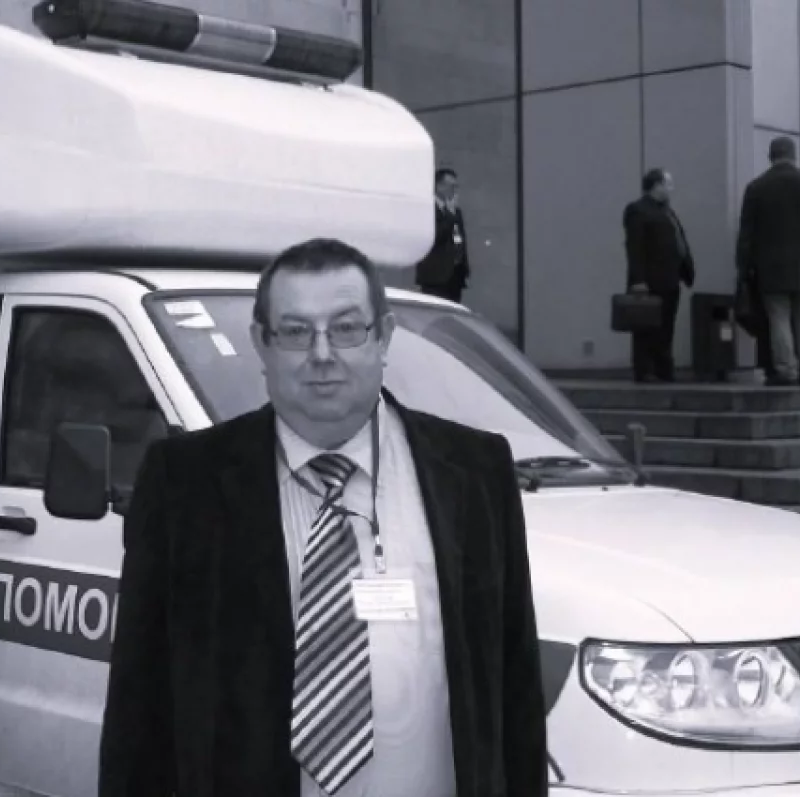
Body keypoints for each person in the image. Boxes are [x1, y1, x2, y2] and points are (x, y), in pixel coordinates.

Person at [98, 237, 547, 797]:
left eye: (346, 328)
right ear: (261, 343)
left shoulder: (475, 474)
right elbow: (139, 709)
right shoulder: (183, 485)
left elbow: (516, 693)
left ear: (383, 336)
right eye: (295, 331)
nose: (322, 354)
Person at [736, 136, 800, 386]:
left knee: (778, 317)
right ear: (794, 155)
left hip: (771, 267)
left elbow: (746, 234)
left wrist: (743, 267)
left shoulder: (756, 188)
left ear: (771, 156)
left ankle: (786, 370)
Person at [622, 168, 696, 382]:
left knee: (666, 326)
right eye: (668, 184)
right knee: (646, 326)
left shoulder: (666, 211)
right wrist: (638, 280)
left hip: (670, 278)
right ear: (656, 185)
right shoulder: (638, 210)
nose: (671, 188)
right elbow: (635, 247)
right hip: (651, 279)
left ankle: (663, 368)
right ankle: (645, 369)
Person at [415, 168, 471, 303]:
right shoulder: (428, 209)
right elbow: (435, 236)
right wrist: (450, 215)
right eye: (451, 186)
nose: (454, 190)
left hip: (455, 275)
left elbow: (458, 237)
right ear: (439, 186)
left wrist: (463, 265)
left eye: (456, 186)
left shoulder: (455, 210)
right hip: (434, 276)